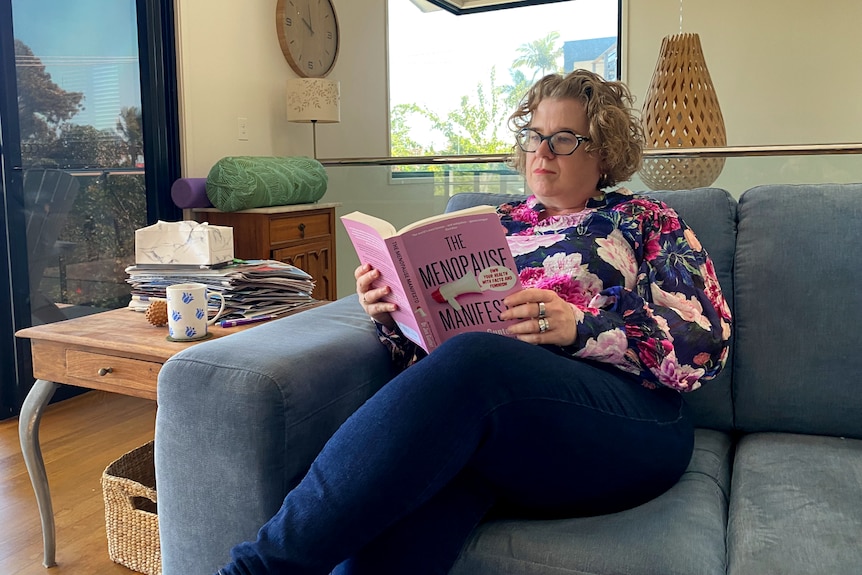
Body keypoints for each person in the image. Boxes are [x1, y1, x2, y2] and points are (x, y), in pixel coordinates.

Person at [215, 69, 732, 575]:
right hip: (501, 426)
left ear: (604, 150)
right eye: (534, 135)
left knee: (475, 361)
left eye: (564, 139)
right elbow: (429, 365)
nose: (542, 152)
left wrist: (581, 325)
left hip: (629, 421)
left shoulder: (645, 220)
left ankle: (259, 569)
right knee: (402, 498)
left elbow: (704, 343)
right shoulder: (491, 224)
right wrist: (392, 311)